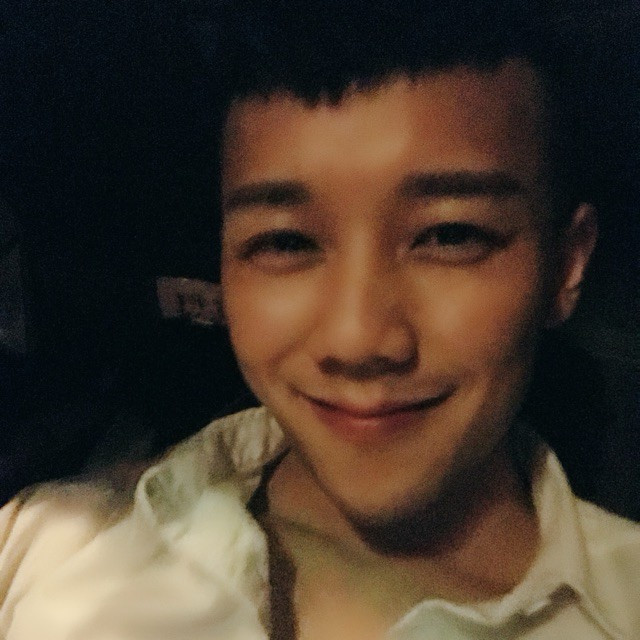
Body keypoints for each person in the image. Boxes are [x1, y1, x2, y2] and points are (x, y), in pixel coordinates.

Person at [0, 1, 638, 638]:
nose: (356, 339)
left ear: (565, 266)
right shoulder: (39, 545)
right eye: (286, 242)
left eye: (450, 235)